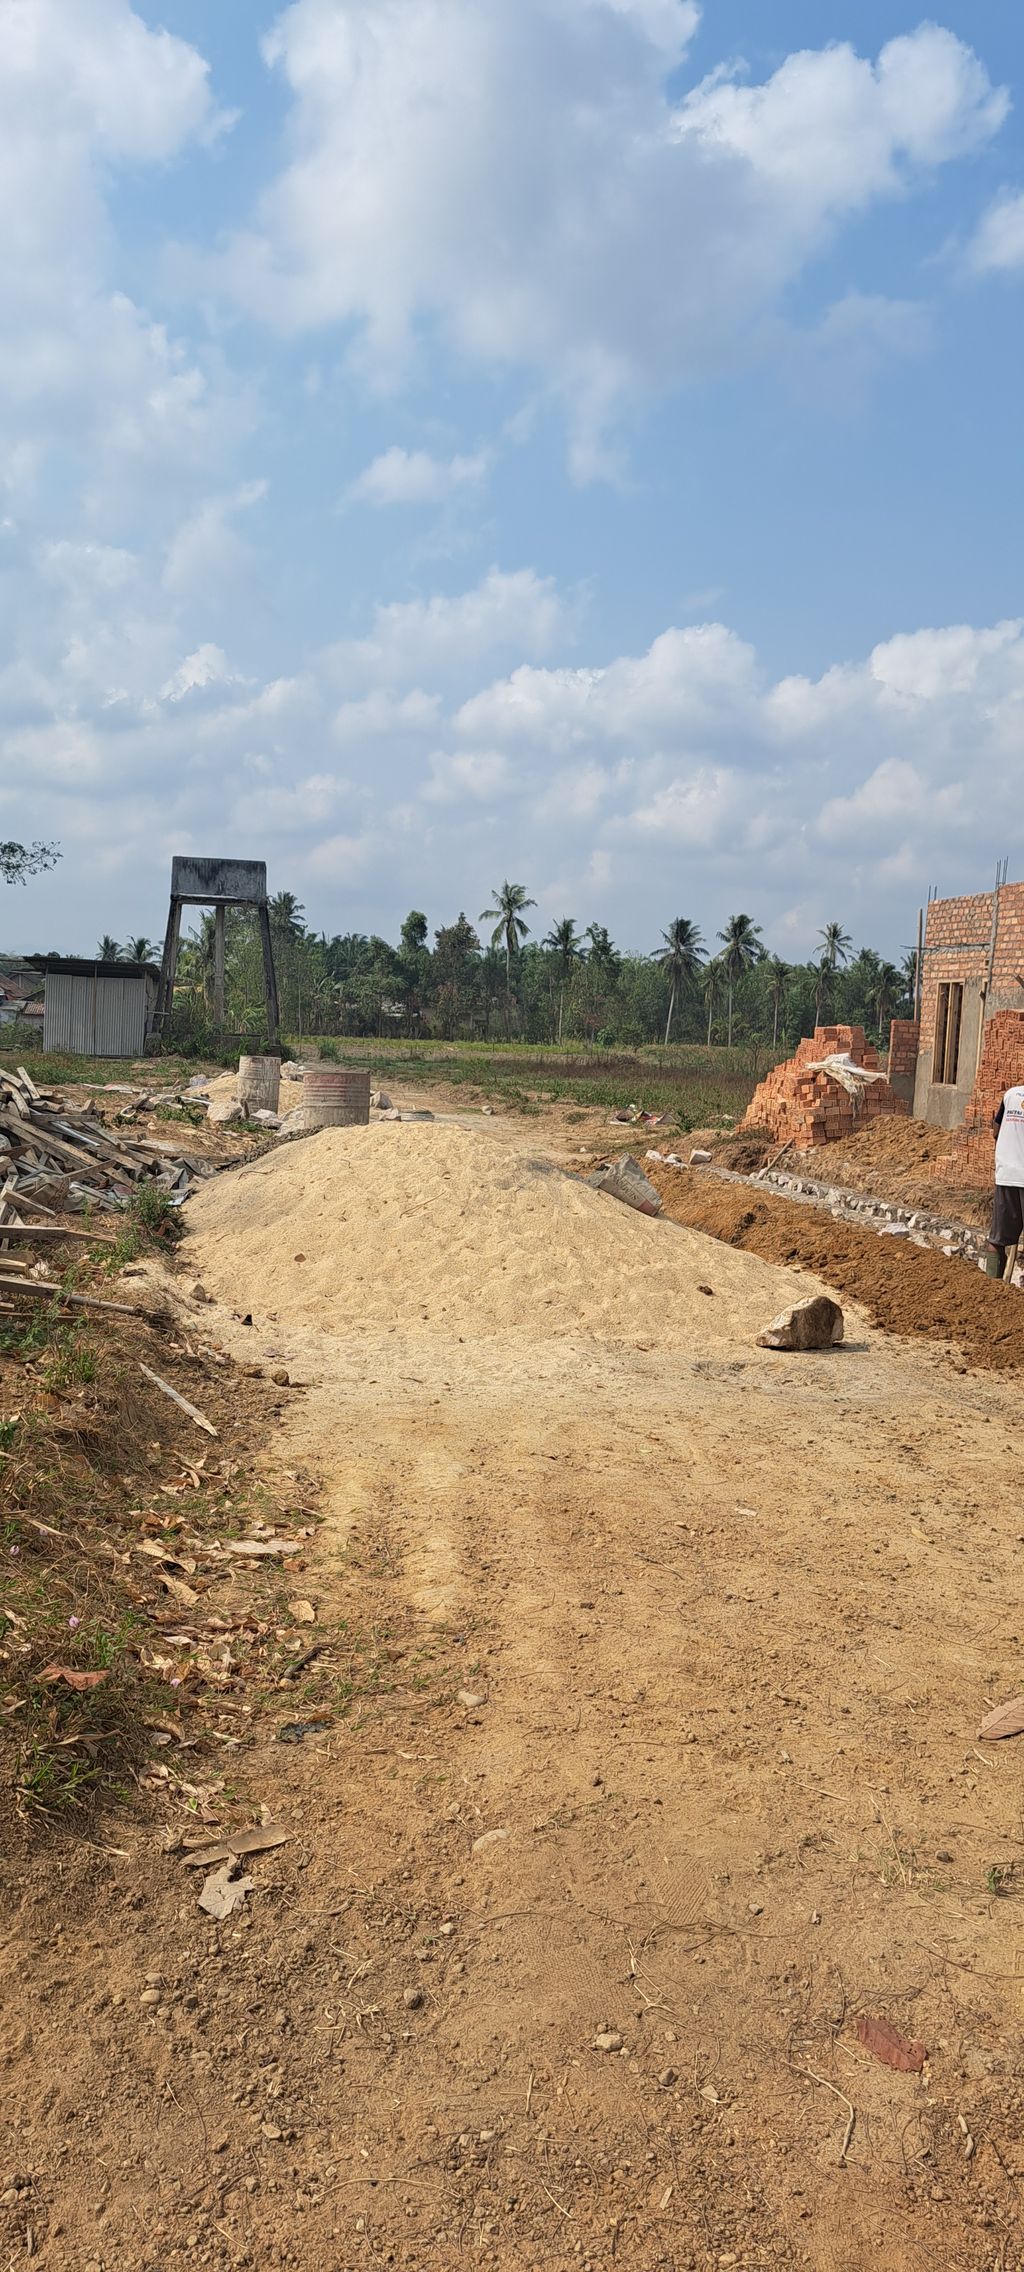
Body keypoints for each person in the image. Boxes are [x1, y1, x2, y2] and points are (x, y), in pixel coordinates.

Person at [987, 1079, 1024, 1278]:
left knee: (997, 1239)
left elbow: (996, 1130)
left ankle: (991, 1289)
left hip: (1006, 1174)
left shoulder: (1010, 1095)